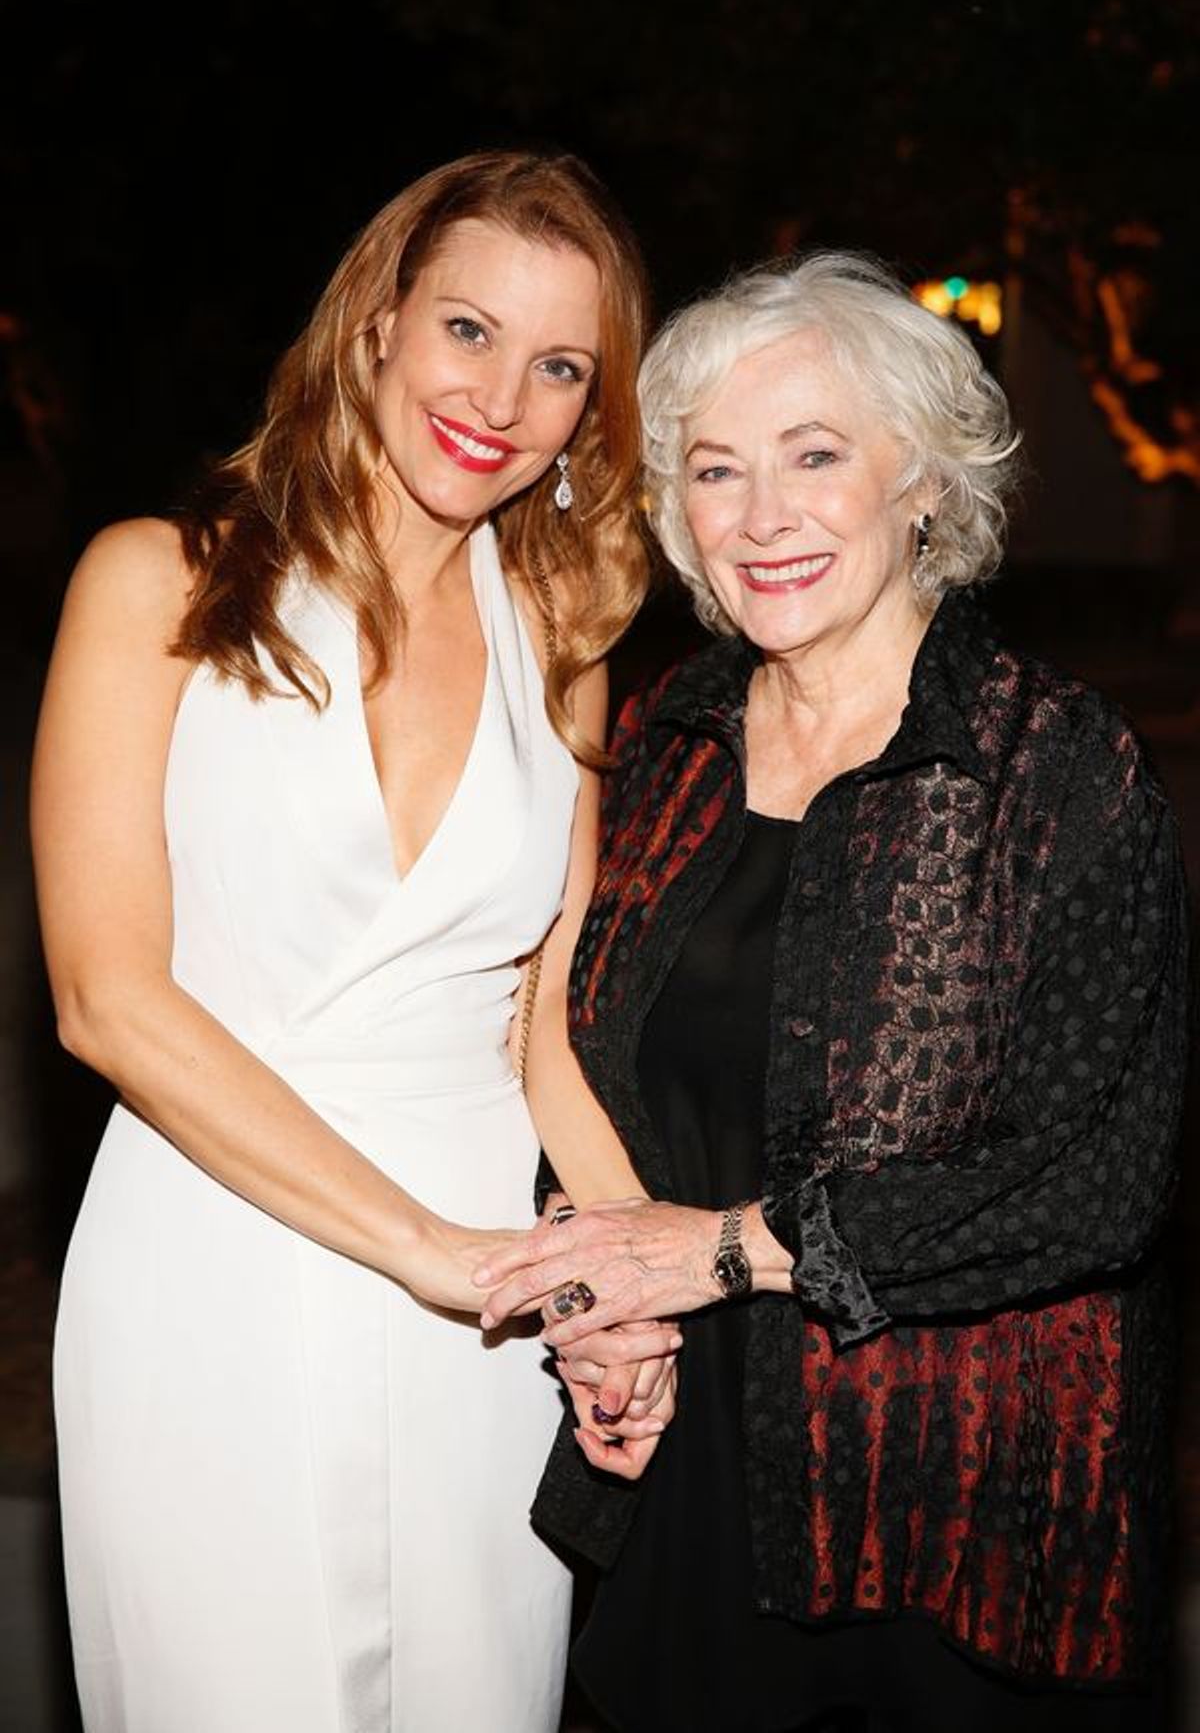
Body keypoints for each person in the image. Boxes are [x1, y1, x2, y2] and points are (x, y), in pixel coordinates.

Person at [476, 251, 1190, 1732]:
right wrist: (606, 1301)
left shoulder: (1054, 769)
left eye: (816, 455)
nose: (763, 515)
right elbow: (577, 1058)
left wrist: (722, 1252)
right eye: (716, 471)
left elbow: (1093, 1184)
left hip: (949, 1522)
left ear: (922, 482)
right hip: (681, 1485)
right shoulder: (666, 753)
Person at [32, 150, 677, 1733]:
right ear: (376, 326)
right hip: (211, 1256)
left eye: (560, 368)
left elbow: (539, 1033)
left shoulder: (564, 647)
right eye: (467, 330)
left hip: (486, 1302)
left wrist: (621, 1276)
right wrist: (431, 1255)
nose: (501, 398)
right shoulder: (154, 584)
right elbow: (106, 1001)